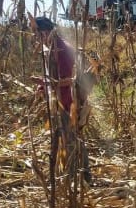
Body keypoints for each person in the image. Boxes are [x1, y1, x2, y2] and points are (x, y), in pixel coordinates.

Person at [32, 15, 93, 182]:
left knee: (73, 141)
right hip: (60, 102)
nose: (35, 38)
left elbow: (69, 80)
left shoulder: (61, 49)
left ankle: (83, 179)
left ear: (44, 32)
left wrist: (46, 83)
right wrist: (42, 86)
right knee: (66, 140)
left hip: (68, 103)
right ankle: (71, 177)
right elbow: (52, 76)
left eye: (36, 34)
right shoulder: (50, 49)